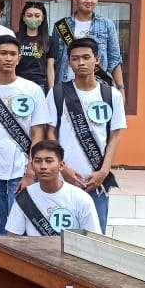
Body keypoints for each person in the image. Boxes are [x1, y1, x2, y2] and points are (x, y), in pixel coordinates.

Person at [0, 35, 53, 235]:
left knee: (21, 227)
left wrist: (31, 170)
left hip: (21, 168)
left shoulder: (32, 90)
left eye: (13, 54)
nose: (8, 58)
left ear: (19, 58)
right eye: (3, 53)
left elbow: (38, 132)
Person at [43, 38, 127, 233]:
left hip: (96, 179)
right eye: (75, 58)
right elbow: (51, 133)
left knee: (95, 239)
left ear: (96, 60)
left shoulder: (111, 95)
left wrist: (104, 171)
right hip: (63, 178)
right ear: (69, 62)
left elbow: (115, 135)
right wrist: (63, 168)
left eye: (86, 57)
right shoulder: (58, 93)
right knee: (57, 237)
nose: (80, 63)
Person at [5, 140, 101, 236]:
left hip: (69, 251)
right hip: (34, 250)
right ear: (32, 166)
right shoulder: (24, 197)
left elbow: (93, 239)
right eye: (38, 161)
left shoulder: (81, 198)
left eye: (49, 161)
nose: (43, 166)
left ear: (61, 165)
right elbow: (12, 238)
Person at [51, 0, 125, 90]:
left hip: (98, 85)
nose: (88, 0)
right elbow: (54, 60)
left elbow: (114, 59)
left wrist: (120, 87)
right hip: (66, 85)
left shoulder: (107, 25)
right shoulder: (62, 26)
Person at [17, 1, 54, 89]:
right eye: (29, 15)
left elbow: (50, 67)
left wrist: (52, 90)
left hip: (40, 84)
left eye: (37, 16)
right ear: (23, 18)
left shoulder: (50, 40)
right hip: (18, 82)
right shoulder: (15, 37)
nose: (33, 18)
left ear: (43, 18)